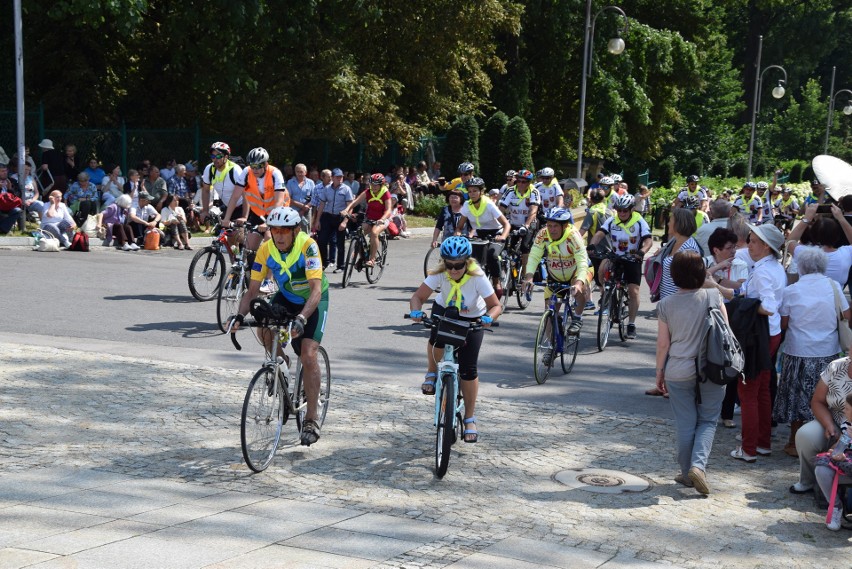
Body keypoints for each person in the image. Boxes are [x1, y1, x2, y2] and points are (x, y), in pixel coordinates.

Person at [230, 207, 329, 446]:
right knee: (263, 326)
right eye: (275, 231)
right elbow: (252, 290)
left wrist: (302, 318)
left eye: (285, 231)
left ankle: (312, 419)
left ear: (296, 231)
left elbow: (316, 290)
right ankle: (281, 366)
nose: (280, 236)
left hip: (313, 301)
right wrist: (239, 316)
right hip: (286, 297)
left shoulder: (309, 247)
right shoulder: (266, 249)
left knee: (308, 354)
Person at [408, 236, 502, 443]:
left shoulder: (478, 277)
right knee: (436, 338)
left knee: (469, 369)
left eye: (458, 265)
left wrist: (488, 318)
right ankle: (432, 373)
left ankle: (469, 418)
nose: (453, 270)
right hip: (446, 312)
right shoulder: (440, 274)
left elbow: (496, 305)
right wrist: (416, 311)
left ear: (467, 261)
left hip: (472, 318)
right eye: (449, 265)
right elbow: (417, 297)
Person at [655, 251, 727, 495]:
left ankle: (688, 473)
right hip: (712, 368)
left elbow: (663, 344)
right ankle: (698, 467)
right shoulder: (713, 296)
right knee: (707, 419)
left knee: (686, 423)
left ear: (673, 275)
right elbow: (724, 332)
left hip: (678, 369)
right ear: (701, 272)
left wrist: (659, 373)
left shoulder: (665, 304)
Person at [774, 246, 849, 457]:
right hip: (827, 350)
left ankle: (794, 441)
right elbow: (846, 314)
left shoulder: (792, 290)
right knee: (826, 398)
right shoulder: (833, 286)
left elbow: (784, 324)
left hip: (799, 350)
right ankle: (829, 438)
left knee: (796, 397)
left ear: (801, 267)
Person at [729, 224, 786, 462]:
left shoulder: (763, 271)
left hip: (758, 335)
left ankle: (749, 448)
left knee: (748, 391)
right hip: (768, 335)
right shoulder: (772, 267)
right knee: (761, 388)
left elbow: (770, 308)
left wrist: (746, 305)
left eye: (753, 241)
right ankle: (761, 443)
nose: (748, 244)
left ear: (766, 246)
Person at [588, 193, 653, 340]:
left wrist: (642, 251)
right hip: (616, 256)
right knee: (601, 269)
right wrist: (593, 244)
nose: (622, 213)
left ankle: (631, 324)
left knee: (633, 291)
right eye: (619, 210)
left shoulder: (639, 221)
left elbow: (648, 240)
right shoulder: (613, 220)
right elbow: (600, 233)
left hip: (632, 258)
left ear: (631, 210)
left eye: (625, 210)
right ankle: (606, 296)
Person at [703, 227, 749, 428]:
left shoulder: (740, 263)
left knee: (729, 360)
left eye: (735, 247)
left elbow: (740, 289)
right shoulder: (704, 261)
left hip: (733, 314)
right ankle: (705, 406)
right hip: (707, 312)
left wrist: (716, 280)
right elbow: (699, 279)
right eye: (729, 248)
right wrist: (717, 269)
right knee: (707, 360)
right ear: (716, 249)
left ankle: (727, 412)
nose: (734, 251)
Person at [790, 355, 852, 503]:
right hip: (835, 420)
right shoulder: (836, 366)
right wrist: (829, 425)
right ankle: (808, 481)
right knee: (806, 434)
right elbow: (817, 401)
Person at [522, 208, 590, 335]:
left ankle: (577, 318)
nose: (551, 229)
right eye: (549, 225)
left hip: (574, 272)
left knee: (581, 285)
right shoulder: (543, 234)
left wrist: (579, 283)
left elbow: (582, 262)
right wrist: (529, 277)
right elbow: (534, 256)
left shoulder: (573, 235)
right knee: (549, 313)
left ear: (564, 226)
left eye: (555, 226)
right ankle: (549, 348)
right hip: (555, 275)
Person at [223, 147, 289, 254]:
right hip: (259, 213)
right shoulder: (246, 172)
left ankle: (273, 268)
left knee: (269, 240)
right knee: (248, 248)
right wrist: (226, 219)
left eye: (258, 166)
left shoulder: (275, 174)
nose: (255, 170)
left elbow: (279, 202)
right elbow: (235, 197)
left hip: (278, 212)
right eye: (252, 166)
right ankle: (253, 270)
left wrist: (269, 222)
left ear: (265, 164)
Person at [454, 178, 511, 295]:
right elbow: (459, 227)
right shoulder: (467, 205)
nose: (472, 194)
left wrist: (503, 236)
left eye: (475, 191)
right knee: (469, 258)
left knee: (492, 254)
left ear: (481, 191)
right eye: (469, 191)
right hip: (480, 235)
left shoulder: (489, 204)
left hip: (496, 233)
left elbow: (506, 224)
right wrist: (458, 234)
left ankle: (496, 283)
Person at [787, 204, 852, 288]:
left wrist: (807, 218)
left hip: (807, 299)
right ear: (837, 236)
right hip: (834, 300)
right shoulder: (845, 254)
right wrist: (841, 218)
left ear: (812, 235)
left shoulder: (803, 252)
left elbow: (790, 241)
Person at [813, 393, 852, 531]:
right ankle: (835, 506)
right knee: (821, 468)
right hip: (845, 461)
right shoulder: (847, 426)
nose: (844, 411)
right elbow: (839, 446)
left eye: (847, 409)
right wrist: (834, 452)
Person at [338, 173, 392, 267]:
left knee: (374, 232)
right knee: (360, 234)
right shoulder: (367, 192)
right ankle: (362, 257)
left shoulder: (385, 193)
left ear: (381, 185)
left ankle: (372, 259)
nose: (374, 186)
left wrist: (382, 219)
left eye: (376, 184)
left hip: (382, 218)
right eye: (372, 184)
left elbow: (388, 210)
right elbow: (355, 202)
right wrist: (346, 210)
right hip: (370, 217)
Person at [499, 168, 541, 269]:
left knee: (524, 247)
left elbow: (533, 211)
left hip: (528, 223)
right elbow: (501, 209)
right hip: (514, 222)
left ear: (529, 182)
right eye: (518, 181)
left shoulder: (534, 192)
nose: (521, 184)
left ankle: (524, 274)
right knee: (506, 246)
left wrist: (526, 225)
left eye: (524, 182)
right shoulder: (510, 191)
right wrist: (500, 224)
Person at [313, 168, 353, 272]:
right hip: (327, 216)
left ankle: (340, 266)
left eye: (341, 177)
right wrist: (317, 220)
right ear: (333, 178)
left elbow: (350, 206)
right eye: (337, 177)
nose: (340, 179)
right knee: (322, 240)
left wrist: (345, 222)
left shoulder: (346, 189)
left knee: (340, 243)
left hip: (340, 217)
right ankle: (324, 262)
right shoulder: (327, 189)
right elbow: (321, 204)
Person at [200, 142, 243, 224]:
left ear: (226, 157)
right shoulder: (209, 169)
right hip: (228, 207)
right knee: (226, 235)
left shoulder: (235, 170)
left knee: (239, 235)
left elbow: (246, 194)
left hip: (243, 207)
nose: (215, 159)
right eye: (213, 156)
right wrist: (205, 210)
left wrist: (244, 216)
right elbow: (205, 190)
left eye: (218, 156)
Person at [285, 163, 315, 232]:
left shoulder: (311, 183)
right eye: (297, 172)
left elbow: (314, 198)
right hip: (293, 211)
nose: (299, 174)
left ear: (305, 172)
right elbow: (288, 198)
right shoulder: (290, 182)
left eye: (301, 172)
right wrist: (301, 206)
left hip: (306, 211)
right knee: (292, 231)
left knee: (306, 232)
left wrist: (303, 209)